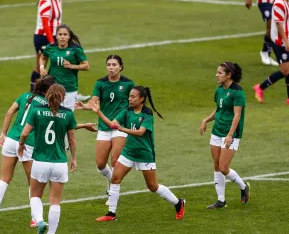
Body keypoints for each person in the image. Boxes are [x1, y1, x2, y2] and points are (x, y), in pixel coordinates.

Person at [0, 77, 96, 228]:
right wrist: (83, 125)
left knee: (4, 179)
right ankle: (35, 219)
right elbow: (58, 123)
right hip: (28, 144)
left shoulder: (25, 96)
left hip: (11, 139)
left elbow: (9, 113)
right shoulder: (45, 105)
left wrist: (3, 133)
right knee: (33, 184)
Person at [90, 86, 186, 221]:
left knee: (153, 186)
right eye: (129, 96)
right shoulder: (126, 111)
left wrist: (122, 129)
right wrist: (99, 112)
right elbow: (112, 124)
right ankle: (111, 214)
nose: (129, 99)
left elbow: (141, 132)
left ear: (141, 99)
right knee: (115, 178)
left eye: (133, 97)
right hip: (128, 152)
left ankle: (178, 203)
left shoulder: (147, 114)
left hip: (144, 154)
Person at [18, 84, 77, 234]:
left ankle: (39, 220)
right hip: (59, 163)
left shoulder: (37, 110)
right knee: (55, 201)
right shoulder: (68, 113)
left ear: (47, 95)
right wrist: (74, 159)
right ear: (63, 97)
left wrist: (21, 145)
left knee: (35, 195)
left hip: (40, 161)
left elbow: (24, 133)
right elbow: (72, 139)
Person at [75, 55, 134, 197]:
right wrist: (84, 106)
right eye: (109, 65)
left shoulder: (128, 84)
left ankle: (113, 195)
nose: (111, 67)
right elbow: (94, 102)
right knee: (100, 164)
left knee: (115, 160)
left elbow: (133, 104)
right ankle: (111, 179)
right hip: (103, 127)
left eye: (114, 65)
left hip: (119, 127)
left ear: (120, 66)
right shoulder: (100, 83)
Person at [200, 62, 250, 209]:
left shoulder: (238, 92)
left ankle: (243, 186)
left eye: (220, 73)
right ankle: (221, 200)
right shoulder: (219, 90)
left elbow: (237, 115)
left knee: (223, 167)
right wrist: (205, 120)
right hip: (217, 131)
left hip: (231, 134)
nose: (216, 75)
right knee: (216, 165)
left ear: (229, 75)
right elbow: (219, 109)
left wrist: (230, 135)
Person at [31, 0, 90, 101]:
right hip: (44, 37)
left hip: (55, 36)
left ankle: (69, 92)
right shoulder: (46, 1)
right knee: (40, 67)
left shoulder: (57, 0)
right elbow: (45, 24)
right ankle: (34, 94)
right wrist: (52, 43)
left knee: (63, 64)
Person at [39, 24, 89, 111]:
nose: (62, 37)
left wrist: (71, 66)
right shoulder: (51, 48)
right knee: (51, 114)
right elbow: (43, 57)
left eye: (65, 35)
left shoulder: (75, 50)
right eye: (60, 34)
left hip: (69, 88)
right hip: (52, 87)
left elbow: (86, 66)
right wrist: (42, 67)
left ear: (69, 36)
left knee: (66, 117)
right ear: (56, 36)